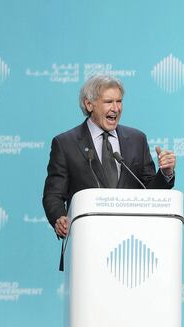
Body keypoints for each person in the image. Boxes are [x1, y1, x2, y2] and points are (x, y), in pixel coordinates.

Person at [42, 74, 176, 238]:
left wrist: (166, 173)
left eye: (119, 101)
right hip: (87, 240)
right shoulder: (65, 143)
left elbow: (149, 191)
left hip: (133, 239)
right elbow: (53, 195)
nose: (116, 108)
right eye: (108, 102)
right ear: (89, 104)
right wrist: (60, 218)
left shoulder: (137, 139)